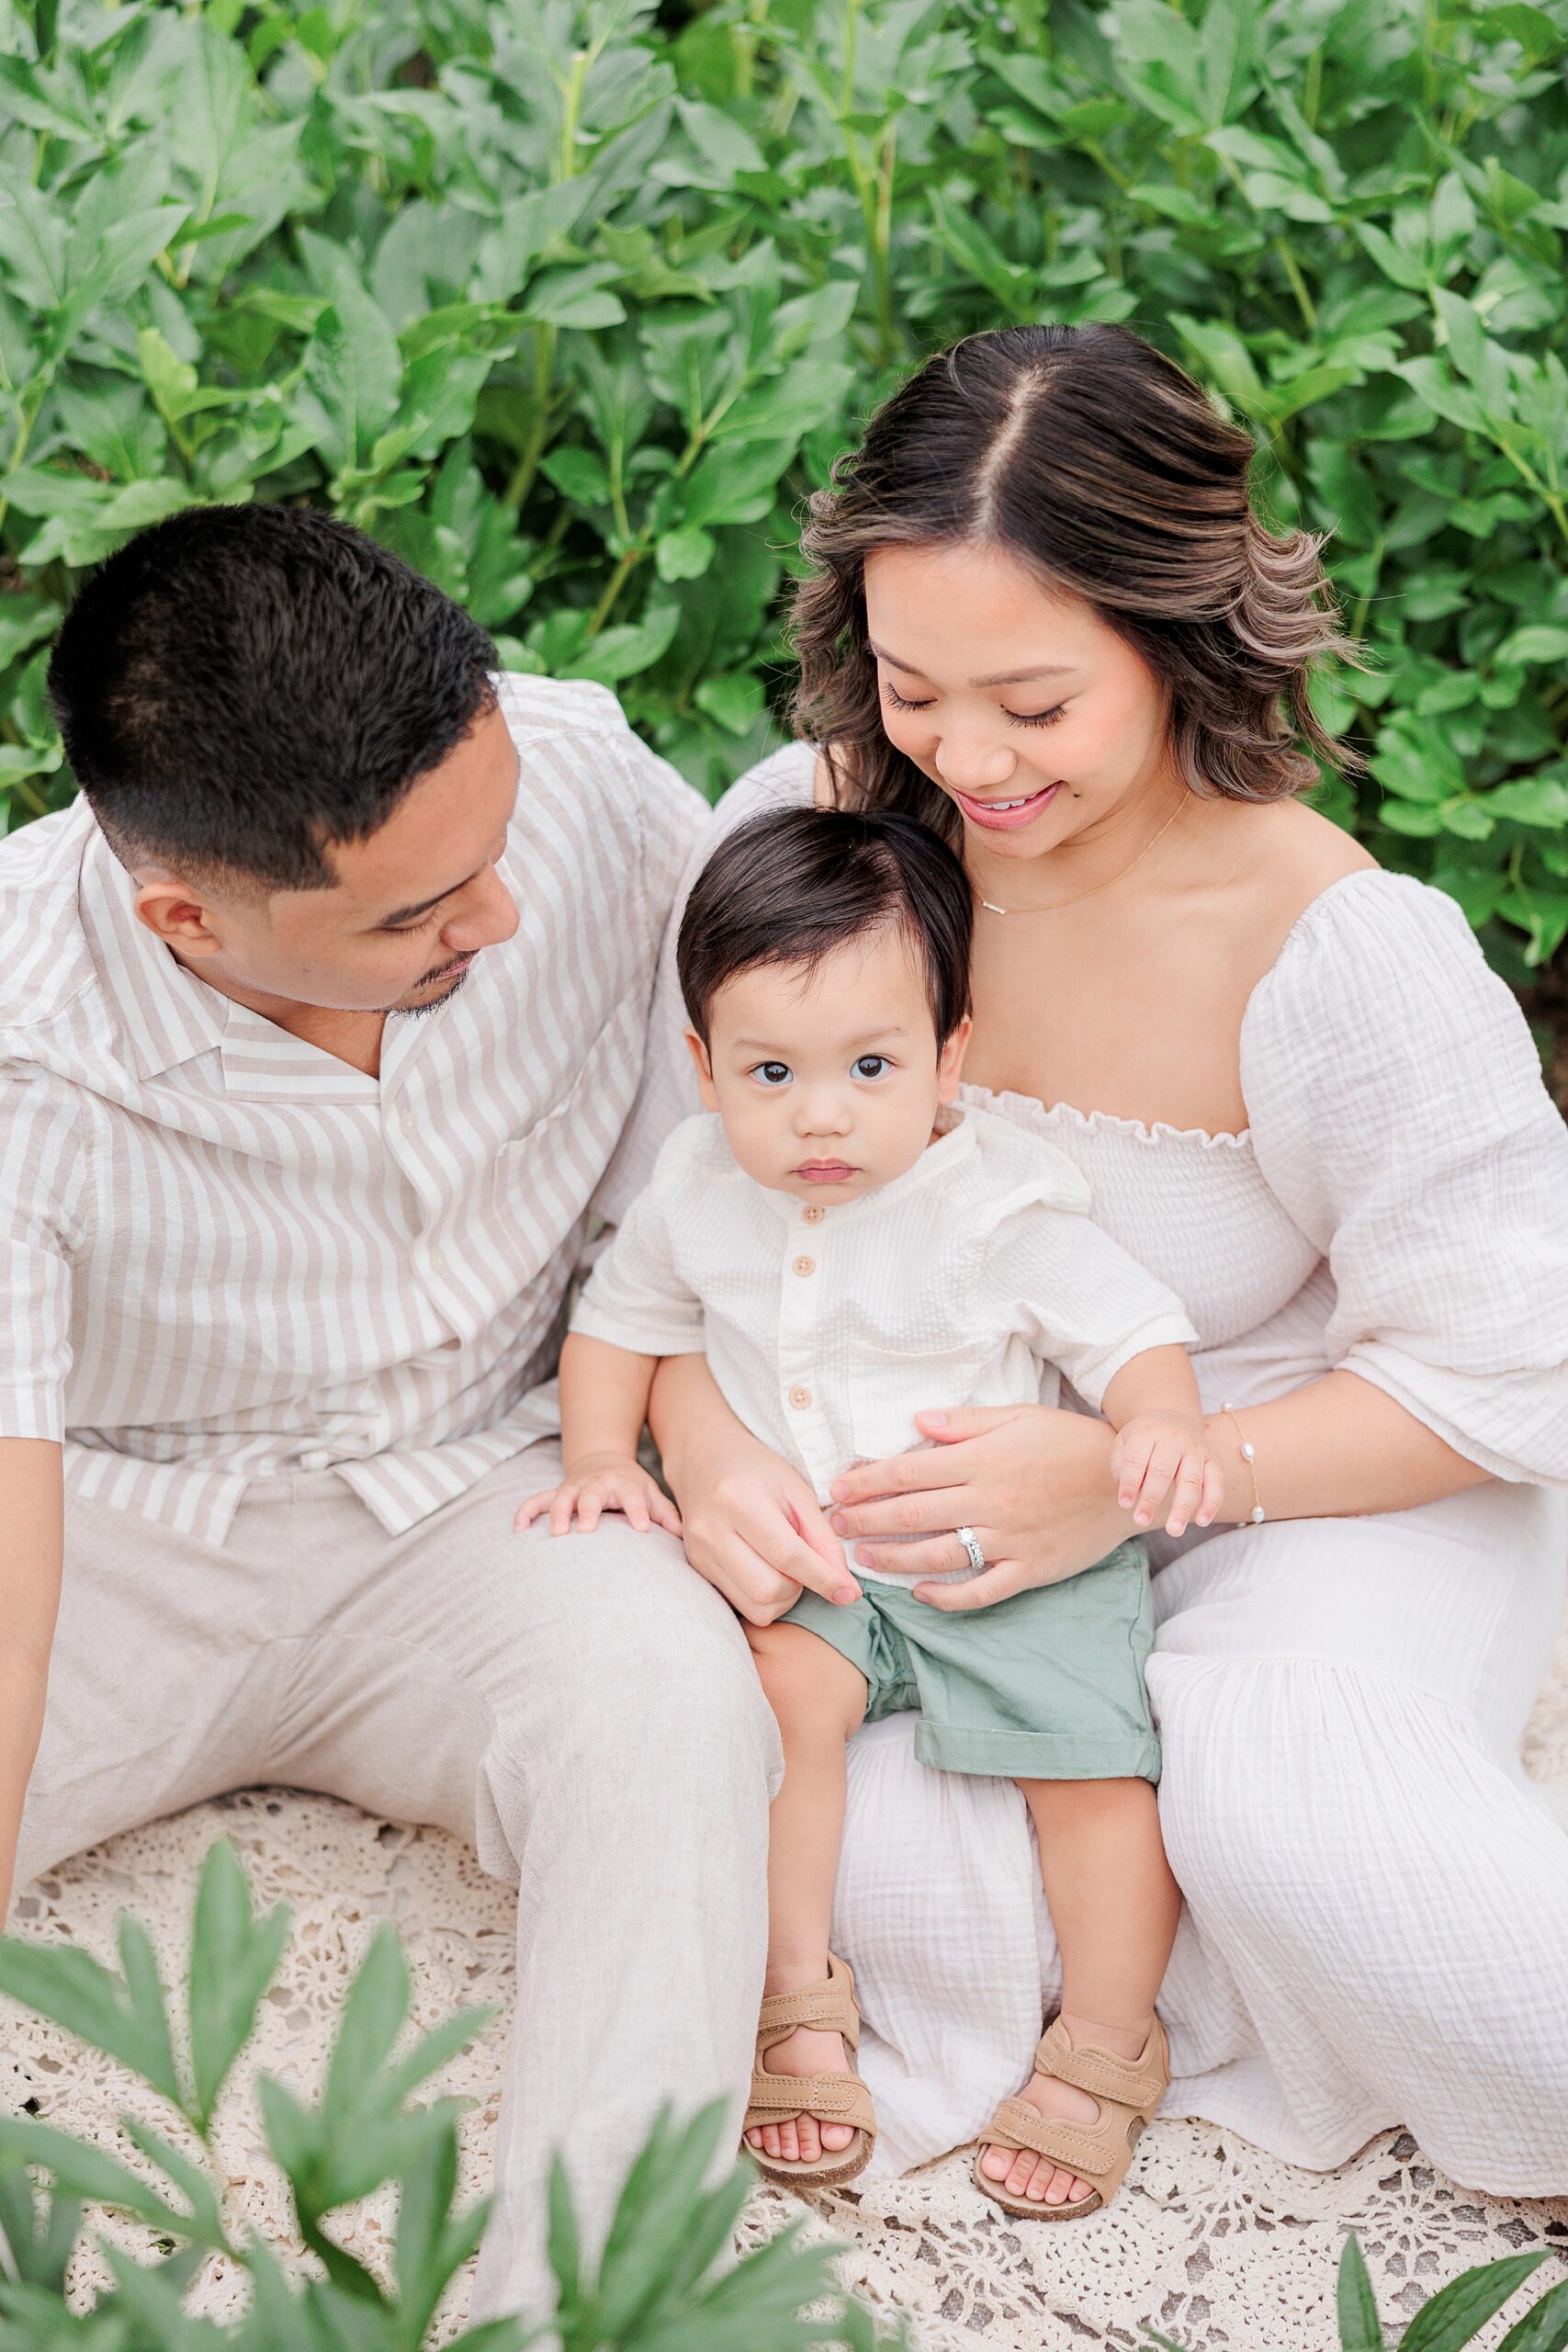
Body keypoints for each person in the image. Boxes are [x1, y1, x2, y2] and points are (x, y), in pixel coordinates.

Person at [648, 323, 1568, 2211]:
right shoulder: (811, 839)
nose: (963, 759)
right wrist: (707, 1446)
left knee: (1279, 1795)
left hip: (1300, 1460)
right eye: (912, 689)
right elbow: (674, 1225)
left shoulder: (1338, 950)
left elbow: (1503, 1376)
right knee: (801, 1806)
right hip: (922, 1511)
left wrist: (1136, 1477)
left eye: (1032, 703)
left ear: (1177, 641)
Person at [0, 503, 779, 2320]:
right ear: (184, 911)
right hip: (128, 1532)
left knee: (672, 1711)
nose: (498, 912)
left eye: (491, 853)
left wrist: (699, 1424)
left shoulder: (574, 770)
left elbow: (750, 1084)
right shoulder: (19, 1043)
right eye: (423, 911)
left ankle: (578, 2305)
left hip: (489, 1494)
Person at [521, 802, 1224, 2217]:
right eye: (772, 1070)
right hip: (825, 1565)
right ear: (702, 1066)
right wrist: (598, 1452)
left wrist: (1158, 1425)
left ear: (949, 1059)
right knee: (774, 1713)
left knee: (1093, 1770)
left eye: (872, 1066)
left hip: (1006, 1557)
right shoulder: (698, 1188)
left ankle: (1102, 2038)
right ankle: (793, 1997)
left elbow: (1130, 1331)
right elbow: (621, 1322)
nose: (822, 1114)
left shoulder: (996, 1202)